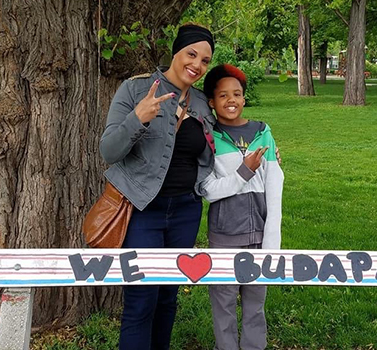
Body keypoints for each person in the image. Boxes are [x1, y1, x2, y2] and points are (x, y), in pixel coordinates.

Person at [99, 24, 216, 350]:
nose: (197, 65)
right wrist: (138, 117)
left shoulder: (203, 104)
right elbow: (108, 151)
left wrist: (261, 149)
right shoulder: (135, 90)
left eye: (205, 60)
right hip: (141, 211)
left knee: (167, 297)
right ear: (176, 51)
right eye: (191, 54)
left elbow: (223, 144)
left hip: (185, 212)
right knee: (141, 300)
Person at [200, 64, 284, 350]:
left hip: (260, 237)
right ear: (212, 102)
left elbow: (275, 183)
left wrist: (272, 238)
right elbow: (207, 190)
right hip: (224, 237)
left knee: (256, 305)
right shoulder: (207, 136)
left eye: (237, 94)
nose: (231, 100)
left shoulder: (263, 133)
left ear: (244, 98)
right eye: (223, 96)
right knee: (222, 302)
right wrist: (243, 172)